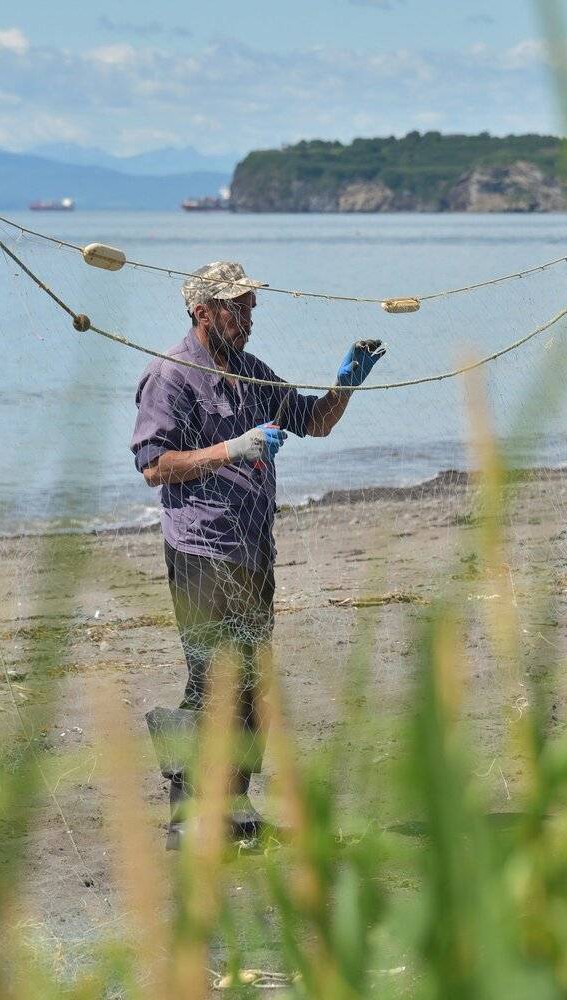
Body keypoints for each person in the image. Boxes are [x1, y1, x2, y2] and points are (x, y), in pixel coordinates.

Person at [130, 260, 385, 848]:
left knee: (249, 684)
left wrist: (346, 383)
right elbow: (153, 466)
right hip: (200, 549)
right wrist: (230, 448)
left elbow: (313, 423)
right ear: (203, 312)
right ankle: (187, 820)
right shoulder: (170, 377)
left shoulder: (253, 373)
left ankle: (235, 811)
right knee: (208, 682)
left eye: (250, 307)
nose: (248, 317)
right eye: (236, 308)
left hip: (252, 550)